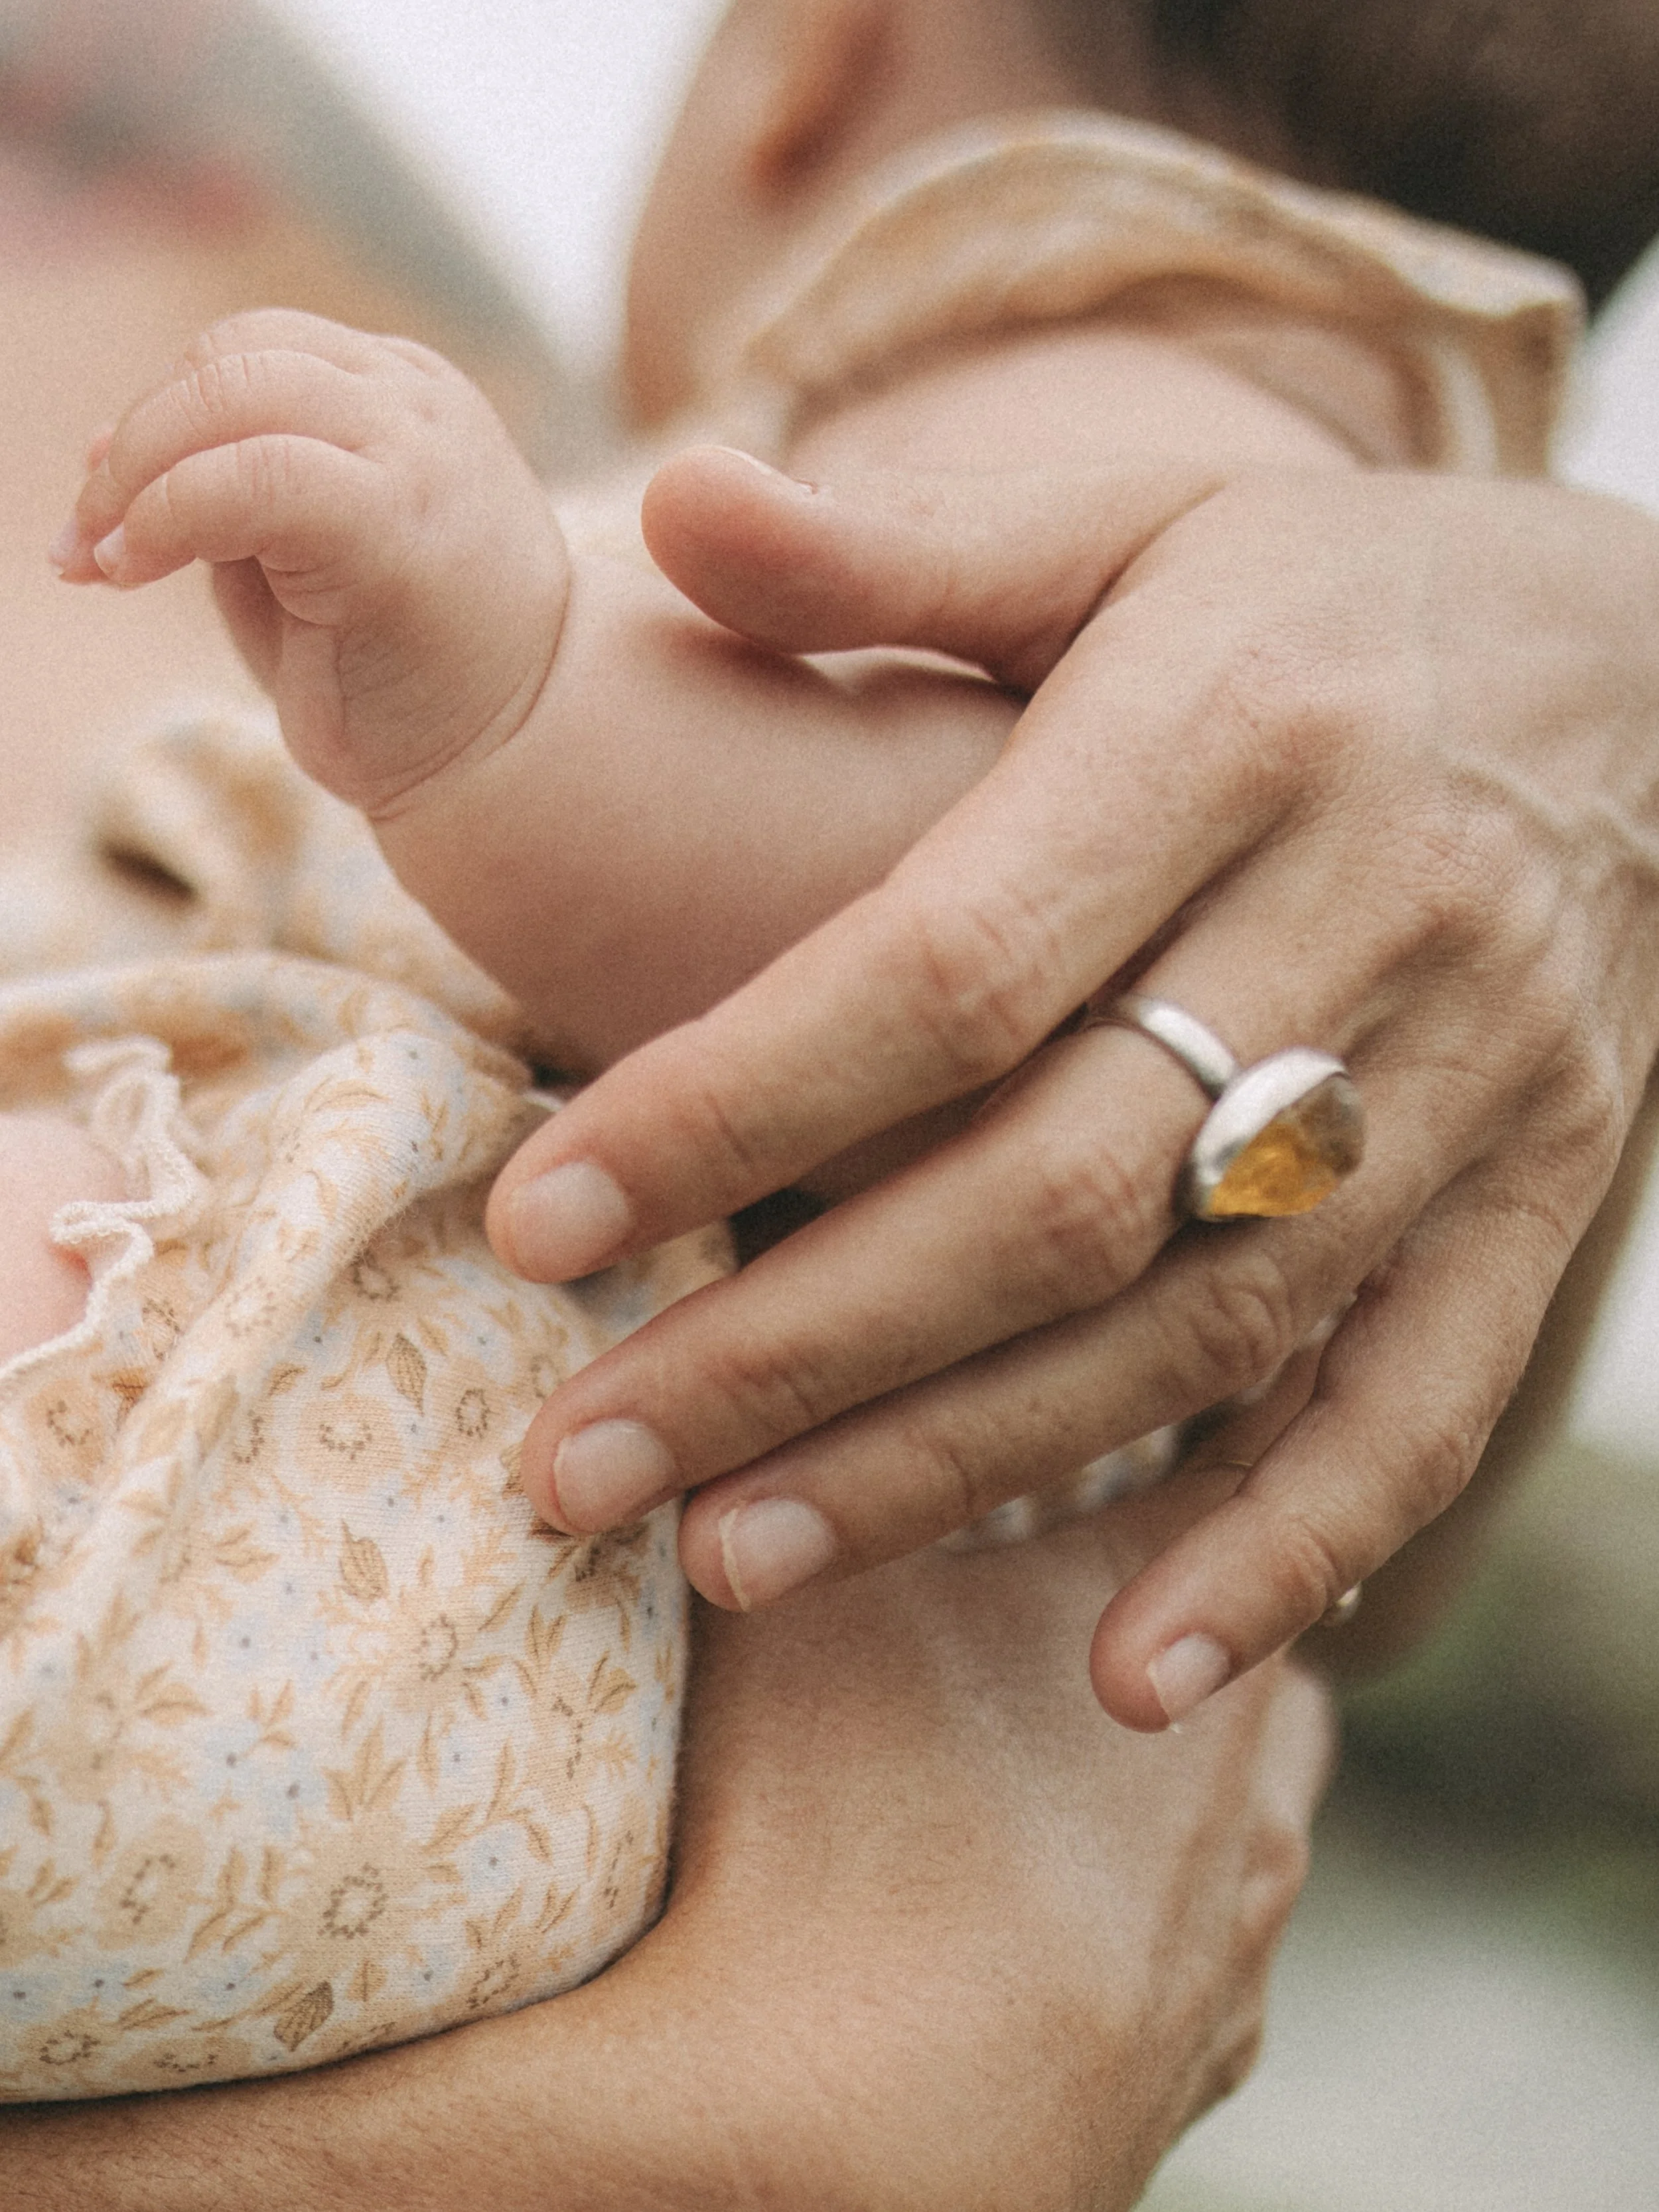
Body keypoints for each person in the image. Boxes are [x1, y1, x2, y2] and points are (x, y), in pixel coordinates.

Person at [1, 0, 1657, 2192]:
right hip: (420, 1775)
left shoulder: (1107, 409)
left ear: (812, 59)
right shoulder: (1349, 561)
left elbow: (949, 951)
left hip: (248, 1577)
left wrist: (511, 692)